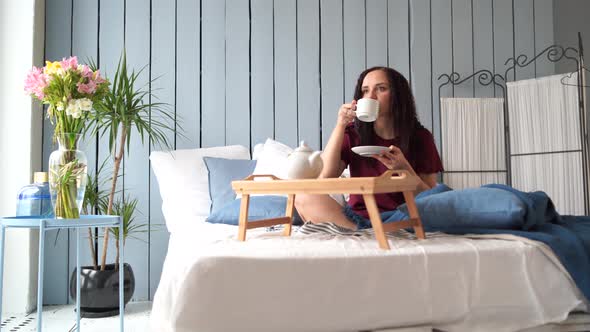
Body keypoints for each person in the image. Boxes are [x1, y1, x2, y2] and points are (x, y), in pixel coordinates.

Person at [294, 66, 443, 230]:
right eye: (365, 91)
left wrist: (404, 169)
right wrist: (340, 124)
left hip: (401, 215)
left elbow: (430, 199)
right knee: (303, 196)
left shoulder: (421, 137)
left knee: (435, 210)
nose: (370, 96)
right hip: (356, 218)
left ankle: (371, 233)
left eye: (381, 89)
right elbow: (325, 179)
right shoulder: (353, 134)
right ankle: (364, 233)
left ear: (398, 96)